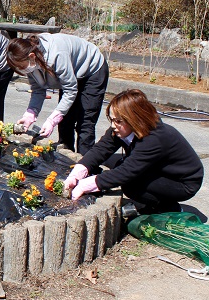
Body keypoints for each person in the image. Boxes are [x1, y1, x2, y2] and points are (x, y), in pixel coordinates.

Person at [65, 89, 204, 214]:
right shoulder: (123, 128)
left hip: (182, 182)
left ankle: (168, 207)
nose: (113, 125)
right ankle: (154, 201)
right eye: (112, 120)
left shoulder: (155, 138)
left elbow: (126, 172)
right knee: (116, 164)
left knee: (130, 184)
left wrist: (86, 185)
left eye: (118, 121)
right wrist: (77, 173)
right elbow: (100, 149)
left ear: (134, 119)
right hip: (160, 170)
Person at [6, 33, 109, 154]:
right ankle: (66, 156)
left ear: (32, 56)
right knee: (65, 120)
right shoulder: (30, 62)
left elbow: (70, 90)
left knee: (85, 122)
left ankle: (85, 164)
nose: (21, 71)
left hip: (91, 70)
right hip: (71, 75)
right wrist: (30, 114)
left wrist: (52, 120)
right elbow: (38, 90)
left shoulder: (57, 54)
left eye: (21, 67)